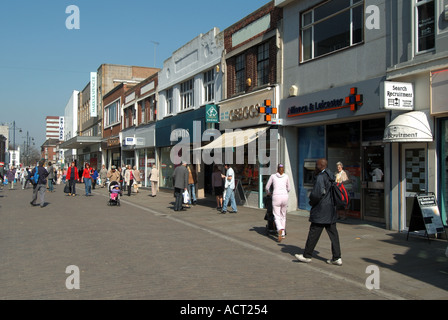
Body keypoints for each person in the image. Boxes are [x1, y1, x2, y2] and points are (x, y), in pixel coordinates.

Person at [295, 158, 342, 266]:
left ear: (321, 166)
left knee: (313, 232)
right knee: (333, 234)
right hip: (330, 209)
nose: (315, 167)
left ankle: (307, 255)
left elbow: (317, 194)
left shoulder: (321, 177)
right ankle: (337, 257)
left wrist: (311, 201)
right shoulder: (331, 175)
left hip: (321, 210)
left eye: (316, 165)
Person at [265, 164, 291, 242]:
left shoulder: (273, 176)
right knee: (283, 215)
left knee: (277, 215)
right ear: (283, 170)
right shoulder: (286, 176)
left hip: (276, 196)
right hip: (285, 196)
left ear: (277, 169)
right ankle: (282, 233)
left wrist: (268, 193)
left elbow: (267, 187)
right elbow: (289, 188)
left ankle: (279, 229)